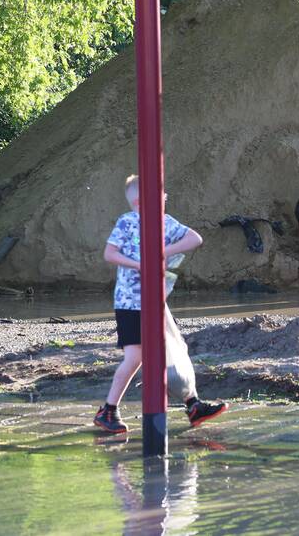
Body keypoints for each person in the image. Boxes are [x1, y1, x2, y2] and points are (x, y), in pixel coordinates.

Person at [94, 175, 228, 434]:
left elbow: (195, 238)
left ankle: (193, 404)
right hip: (130, 301)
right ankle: (108, 410)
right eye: (160, 193)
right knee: (135, 358)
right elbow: (109, 254)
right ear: (140, 200)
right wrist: (140, 263)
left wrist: (161, 252)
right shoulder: (126, 222)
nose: (165, 197)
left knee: (174, 348)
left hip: (156, 299)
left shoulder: (166, 223)